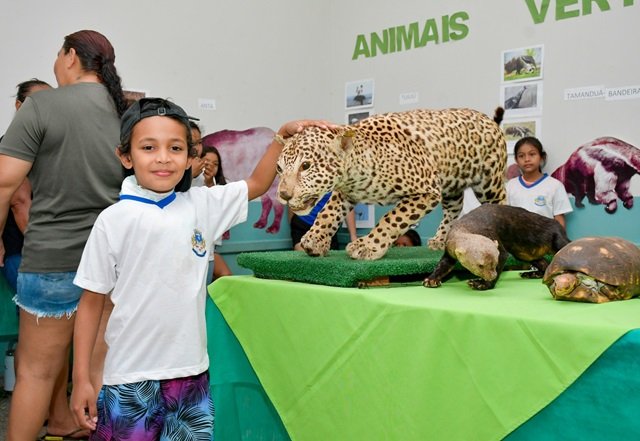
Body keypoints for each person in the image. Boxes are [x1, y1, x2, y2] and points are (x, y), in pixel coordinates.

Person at [69, 98, 332, 438]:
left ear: (191, 158)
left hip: (190, 375)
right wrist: (81, 379)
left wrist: (281, 135)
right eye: (149, 147)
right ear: (126, 156)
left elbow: (256, 183)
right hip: (129, 377)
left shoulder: (203, 205)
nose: (163, 157)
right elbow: (91, 303)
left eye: (175, 148)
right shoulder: (112, 220)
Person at [0, 30, 128, 441]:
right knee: (100, 372)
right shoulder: (127, 111)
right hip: (113, 264)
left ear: (71, 56)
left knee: (35, 373)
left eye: (58, 55)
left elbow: (5, 183)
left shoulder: (42, 105)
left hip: (51, 259)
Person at [0, 79, 51, 292]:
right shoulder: (13, 146)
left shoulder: (48, 148)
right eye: (37, 104)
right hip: (22, 250)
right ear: (19, 106)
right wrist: (50, 255)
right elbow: (20, 204)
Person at [506, 136, 572, 229]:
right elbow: (505, 217)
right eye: (521, 156)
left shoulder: (555, 186)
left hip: (545, 237)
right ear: (516, 160)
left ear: (541, 157)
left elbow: (559, 220)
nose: (527, 159)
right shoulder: (510, 186)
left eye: (532, 154)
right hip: (516, 237)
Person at [202, 144, 232, 279]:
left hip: (211, 247)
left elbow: (219, 211)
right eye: (206, 162)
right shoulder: (187, 183)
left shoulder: (221, 187)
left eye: (215, 164)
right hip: (194, 245)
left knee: (226, 276)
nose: (210, 166)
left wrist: (210, 184)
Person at [289, 194, 357, 251]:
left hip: (327, 227)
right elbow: (292, 199)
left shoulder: (339, 184)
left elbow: (347, 205)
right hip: (303, 223)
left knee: (329, 258)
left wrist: (353, 236)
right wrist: (292, 224)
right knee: (302, 255)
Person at [190, 121, 207, 187]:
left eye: (199, 142)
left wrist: (210, 182)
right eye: (192, 144)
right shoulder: (170, 169)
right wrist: (190, 175)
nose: (197, 148)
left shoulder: (205, 173)